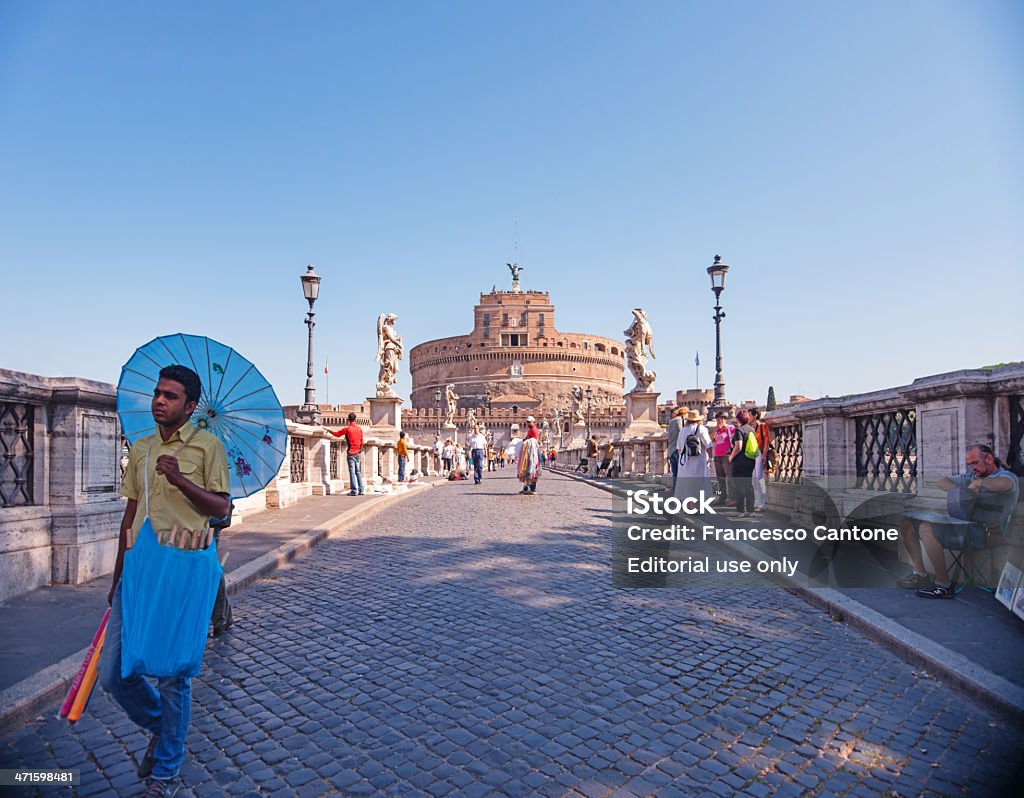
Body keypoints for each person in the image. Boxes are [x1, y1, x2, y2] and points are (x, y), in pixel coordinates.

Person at [100, 365, 230, 797]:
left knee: (174, 677)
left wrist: (179, 479)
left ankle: (166, 773)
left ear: (190, 406)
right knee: (114, 672)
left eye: (171, 396)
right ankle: (165, 728)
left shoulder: (209, 447)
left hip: (184, 566)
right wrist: (118, 574)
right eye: (157, 393)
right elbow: (130, 513)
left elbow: (221, 510)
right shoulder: (140, 449)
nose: (159, 401)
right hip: (140, 567)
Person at [898, 444, 1019, 598]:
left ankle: (943, 585)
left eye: (975, 463)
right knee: (907, 522)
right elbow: (942, 481)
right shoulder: (970, 477)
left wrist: (981, 483)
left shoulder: (1007, 477)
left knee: (926, 528)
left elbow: (1003, 484)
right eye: (969, 465)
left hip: (986, 534)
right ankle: (920, 574)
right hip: (963, 529)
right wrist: (959, 490)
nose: (972, 468)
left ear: (989, 459)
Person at [672, 409, 713, 511]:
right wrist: (711, 458)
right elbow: (709, 445)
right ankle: (698, 507)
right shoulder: (702, 429)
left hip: (685, 460)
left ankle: (688, 506)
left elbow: (679, 448)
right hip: (699, 460)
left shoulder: (683, 430)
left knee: (687, 484)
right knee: (698, 483)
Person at [728, 409, 757, 517]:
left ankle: (740, 510)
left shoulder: (739, 430)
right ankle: (751, 510)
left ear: (738, 419)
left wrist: (731, 457)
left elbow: (738, 446)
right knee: (748, 485)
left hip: (740, 461)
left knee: (739, 486)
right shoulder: (752, 429)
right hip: (750, 460)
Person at [330, 413, 365, 495]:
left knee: (352, 472)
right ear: (355, 420)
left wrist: (329, 430)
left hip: (351, 453)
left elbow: (337, 434)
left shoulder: (347, 429)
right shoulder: (359, 429)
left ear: (348, 420)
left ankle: (354, 491)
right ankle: (361, 489)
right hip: (357, 453)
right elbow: (362, 442)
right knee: (358, 472)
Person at [711, 412, 735, 504]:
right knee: (720, 478)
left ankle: (732, 498)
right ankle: (722, 497)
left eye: (720, 419)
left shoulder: (731, 429)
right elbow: (711, 439)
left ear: (724, 419)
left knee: (730, 478)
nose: (718, 421)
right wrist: (716, 429)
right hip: (717, 456)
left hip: (727, 456)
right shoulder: (718, 430)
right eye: (717, 420)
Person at [750, 408, 771, 513]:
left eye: (750, 415)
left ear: (754, 416)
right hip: (752, 454)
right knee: (753, 480)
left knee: (759, 478)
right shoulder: (750, 427)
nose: (748, 417)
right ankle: (756, 502)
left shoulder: (763, 426)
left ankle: (762, 505)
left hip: (759, 453)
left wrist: (763, 455)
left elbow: (767, 441)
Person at [666, 407, 687, 493]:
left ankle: (675, 489)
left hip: (671, 449)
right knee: (681, 472)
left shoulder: (671, 422)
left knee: (675, 472)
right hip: (678, 449)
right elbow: (681, 432)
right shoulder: (680, 421)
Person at [518, 417, 542, 494]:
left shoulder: (534, 430)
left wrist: (526, 440)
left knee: (533, 468)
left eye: (529, 422)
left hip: (533, 452)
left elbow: (534, 441)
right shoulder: (530, 430)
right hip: (528, 452)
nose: (528, 423)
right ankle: (526, 487)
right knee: (526, 468)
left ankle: (532, 489)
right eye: (527, 422)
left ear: (533, 422)